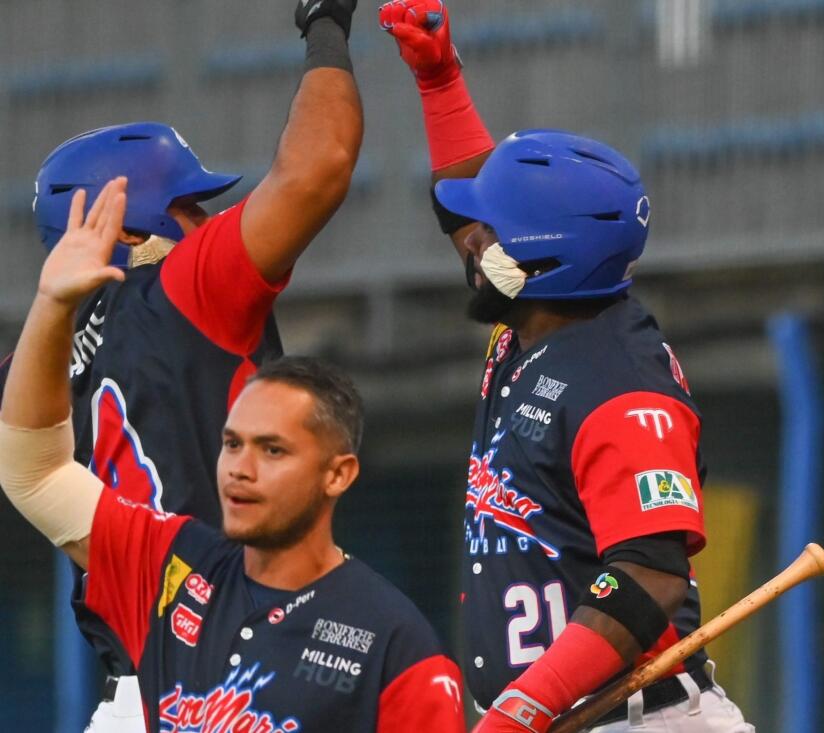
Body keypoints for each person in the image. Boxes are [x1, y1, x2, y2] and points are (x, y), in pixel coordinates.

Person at [379, 3, 754, 730]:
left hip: (641, 719)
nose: (470, 242)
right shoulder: (534, 311)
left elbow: (649, 574)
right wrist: (438, 80)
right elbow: (464, 211)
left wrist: (523, 704)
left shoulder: (623, 387)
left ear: (544, 260)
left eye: (492, 235)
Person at [0, 1, 364, 727]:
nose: (207, 222)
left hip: (128, 696)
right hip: (228, 677)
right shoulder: (183, 287)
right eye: (189, 205)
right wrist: (326, 23)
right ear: (131, 227)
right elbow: (318, 165)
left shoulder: (29, 368)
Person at [0, 179, 466, 731]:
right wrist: (53, 305)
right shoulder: (170, 562)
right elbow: (37, 473)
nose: (241, 468)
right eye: (231, 443)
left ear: (338, 474)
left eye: (273, 450)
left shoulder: (394, 640)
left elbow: (320, 170)